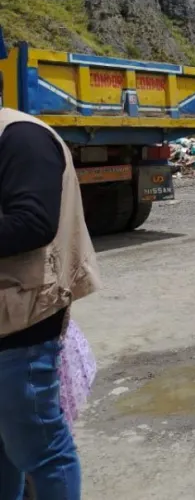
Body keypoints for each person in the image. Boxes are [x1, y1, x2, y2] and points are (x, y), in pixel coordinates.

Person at [0, 72, 101, 500]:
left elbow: (32, 223)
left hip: (23, 322)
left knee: (40, 449)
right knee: (6, 446)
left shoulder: (21, 137)